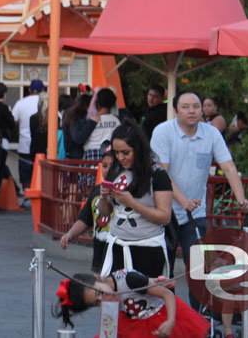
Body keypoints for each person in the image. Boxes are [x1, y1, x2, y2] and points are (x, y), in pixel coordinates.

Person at [150, 89, 248, 311]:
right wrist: (182, 199)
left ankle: (198, 321)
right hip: (163, 212)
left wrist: (241, 199)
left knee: (198, 271)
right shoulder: (163, 132)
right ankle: (165, 317)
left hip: (194, 216)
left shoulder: (211, 134)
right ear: (176, 110)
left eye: (196, 106)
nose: (192, 111)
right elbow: (161, 173)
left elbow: (228, 166)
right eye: (185, 107)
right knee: (163, 272)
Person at [98, 121, 172, 278]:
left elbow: (165, 217)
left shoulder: (158, 174)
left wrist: (132, 204)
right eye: (117, 153)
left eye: (126, 152)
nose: (120, 157)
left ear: (138, 149)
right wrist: (103, 197)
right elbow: (105, 211)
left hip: (146, 248)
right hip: (116, 245)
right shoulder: (116, 169)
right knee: (113, 298)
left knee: (145, 300)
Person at [53, 269, 209, 337]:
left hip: (162, 315)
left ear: (98, 277)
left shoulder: (127, 279)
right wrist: (154, 282)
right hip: (134, 322)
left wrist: (171, 321)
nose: (102, 299)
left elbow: (168, 295)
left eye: (99, 293)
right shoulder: (108, 293)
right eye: (96, 303)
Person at [60, 144, 115, 272]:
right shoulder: (96, 191)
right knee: (98, 289)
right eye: (105, 165)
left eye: (112, 166)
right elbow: (85, 219)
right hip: (99, 259)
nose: (107, 170)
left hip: (117, 258)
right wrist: (69, 235)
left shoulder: (124, 193)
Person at [12, 79, 44, 202]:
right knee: (41, 172)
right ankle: (40, 196)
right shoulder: (46, 102)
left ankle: (27, 199)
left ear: (29, 89)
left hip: (24, 143)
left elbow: (14, 121)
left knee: (25, 173)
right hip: (42, 144)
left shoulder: (20, 103)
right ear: (43, 90)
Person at [82, 88, 119, 161]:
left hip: (91, 156)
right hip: (110, 156)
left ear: (97, 103)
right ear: (113, 105)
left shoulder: (92, 120)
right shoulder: (117, 121)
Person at [61, 92, 94, 160]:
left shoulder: (69, 115)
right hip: (77, 156)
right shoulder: (76, 118)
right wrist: (92, 123)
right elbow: (78, 137)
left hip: (70, 155)